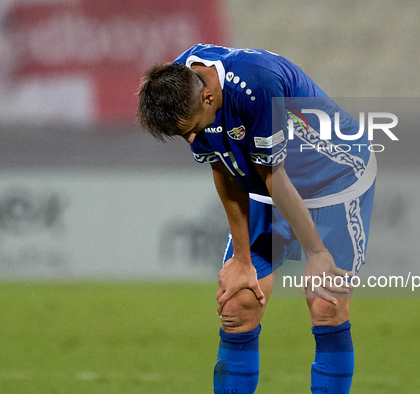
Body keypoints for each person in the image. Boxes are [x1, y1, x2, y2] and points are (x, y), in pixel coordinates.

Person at [137, 43, 376, 394]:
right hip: (265, 180)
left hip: (333, 178)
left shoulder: (257, 84)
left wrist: (318, 253)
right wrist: (242, 259)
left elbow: (276, 177)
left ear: (208, 98)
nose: (190, 139)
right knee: (238, 304)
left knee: (327, 303)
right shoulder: (177, 85)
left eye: (190, 129)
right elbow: (223, 166)